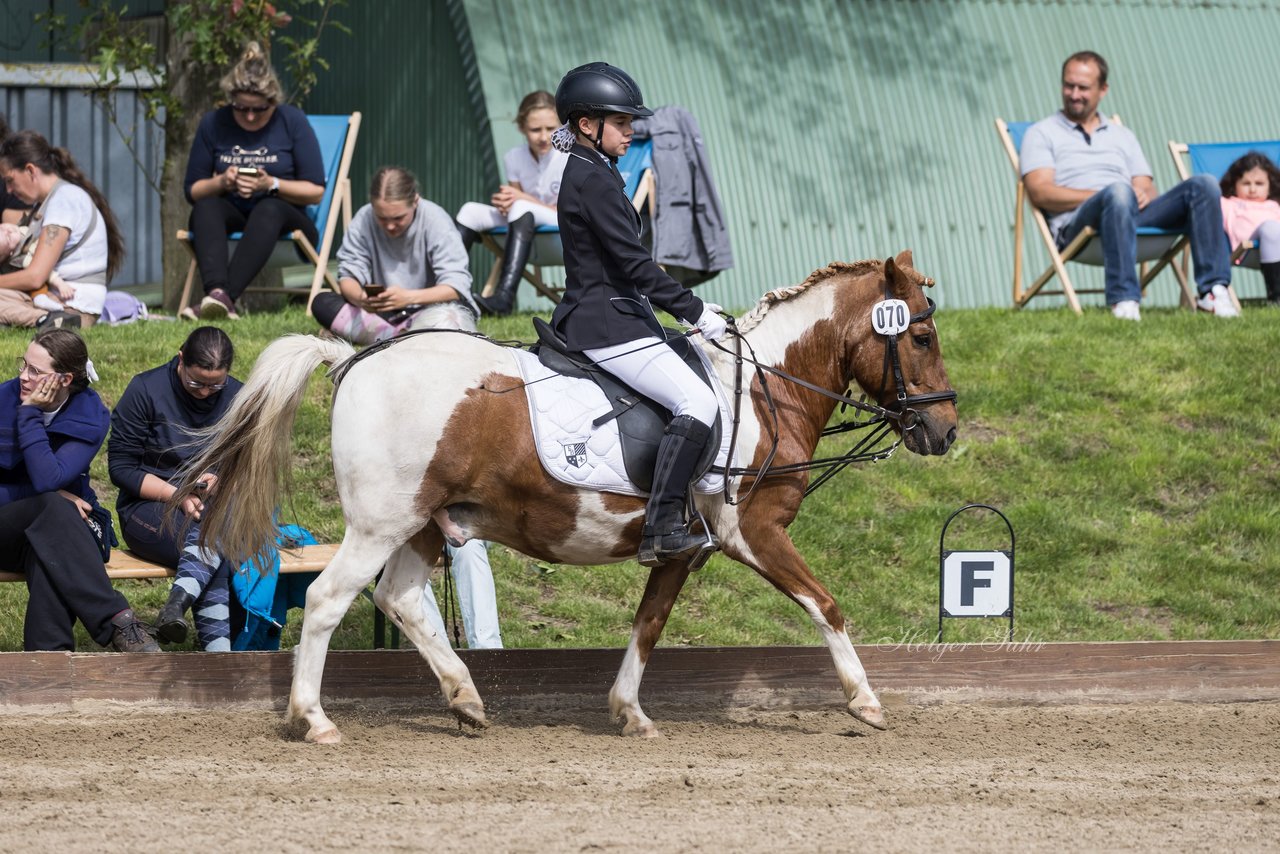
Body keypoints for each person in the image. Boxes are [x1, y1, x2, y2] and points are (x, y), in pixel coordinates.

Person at [548, 62, 727, 567]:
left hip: (618, 314)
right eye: (622, 122)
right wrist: (695, 311)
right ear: (587, 125)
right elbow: (633, 265)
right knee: (697, 400)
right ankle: (663, 525)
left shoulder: (594, 169)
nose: (631, 131)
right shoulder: (593, 179)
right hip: (606, 323)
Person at [1021, 50, 1235, 321]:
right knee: (1118, 191)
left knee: (1203, 185)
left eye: (1083, 87)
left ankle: (1212, 293)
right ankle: (1124, 300)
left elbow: (1147, 188)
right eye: (1068, 85)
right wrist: (1105, 195)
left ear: (1103, 89)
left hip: (1129, 214)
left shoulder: (1122, 135)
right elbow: (1040, 192)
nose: (1074, 94)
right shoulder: (1041, 133)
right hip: (1078, 226)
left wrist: (1141, 195)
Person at [0, 329, 158, 652]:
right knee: (52, 508)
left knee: (47, 552)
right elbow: (48, 488)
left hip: (61, 533)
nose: (23, 377)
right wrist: (28, 413)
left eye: (35, 371)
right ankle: (117, 619)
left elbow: (50, 477)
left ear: (64, 379)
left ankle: (49, 664)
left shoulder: (89, 414)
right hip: (8, 527)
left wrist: (30, 415)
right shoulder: (3, 400)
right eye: (24, 365)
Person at [107, 327, 244, 651]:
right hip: (148, 508)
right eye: (196, 382)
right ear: (181, 358)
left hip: (215, 508)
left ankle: (178, 606)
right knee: (213, 541)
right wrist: (177, 495)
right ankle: (218, 657)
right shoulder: (145, 390)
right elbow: (121, 469)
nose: (205, 392)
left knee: (213, 532)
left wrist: (220, 480)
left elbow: (247, 464)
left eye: (216, 385)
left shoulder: (240, 396)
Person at [183, 41, 325, 320]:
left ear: (273, 102)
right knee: (206, 206)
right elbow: (193, 190)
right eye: (240, 108)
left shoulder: (292, 120)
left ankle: (223, 298)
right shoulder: (213, 122)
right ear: (230, 99)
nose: (249, 116)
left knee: (268, 207)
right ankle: (218, 294)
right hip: (233, 213)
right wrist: (223, 182)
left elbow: (316, 191)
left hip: (287, 219)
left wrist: (271, 184)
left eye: (258, 110)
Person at [312, 166, 478, 343]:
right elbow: (348, 276)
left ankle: (387, 338)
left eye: (398, 218)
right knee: (322, 303)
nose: (390, 226)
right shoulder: (363, 217)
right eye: (382, 218)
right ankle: (404, 338)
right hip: (383, 313)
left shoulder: (436, 219)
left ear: (415, 201)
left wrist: (407, 297)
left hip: (430, 308)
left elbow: (455, 287)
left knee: (457, 312)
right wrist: (361, 300)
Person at [455, 90, 567, 316]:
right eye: (535, 130)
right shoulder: (513, 157)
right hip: (528, 224)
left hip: (563, 226)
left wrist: (520, 199)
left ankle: (504, 298)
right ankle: (446, 291)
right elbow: (516, 204)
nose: (544, 137)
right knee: (469, 211)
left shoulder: (569, 156)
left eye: (551, 128)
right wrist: (503, 203)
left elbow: (566, 209)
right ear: (521, 128)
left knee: (520, 205)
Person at [0, 130, 126, 329]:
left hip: (72, 309)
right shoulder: (50, 202)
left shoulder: (63, 201)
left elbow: (35, 276)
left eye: (9, 180)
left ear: (31, 170)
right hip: (48, 301)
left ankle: (46, 322)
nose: (8, 190)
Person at [1218, 151, 1280, 306]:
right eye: (1246, 184)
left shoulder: (1274, 206)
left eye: (1259, 184)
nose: (1252, 190)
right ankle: (1276, 296)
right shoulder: (1227, 204)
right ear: (1234, 185)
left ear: (1270, 185)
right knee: (1271, 228)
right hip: (1246, 252)